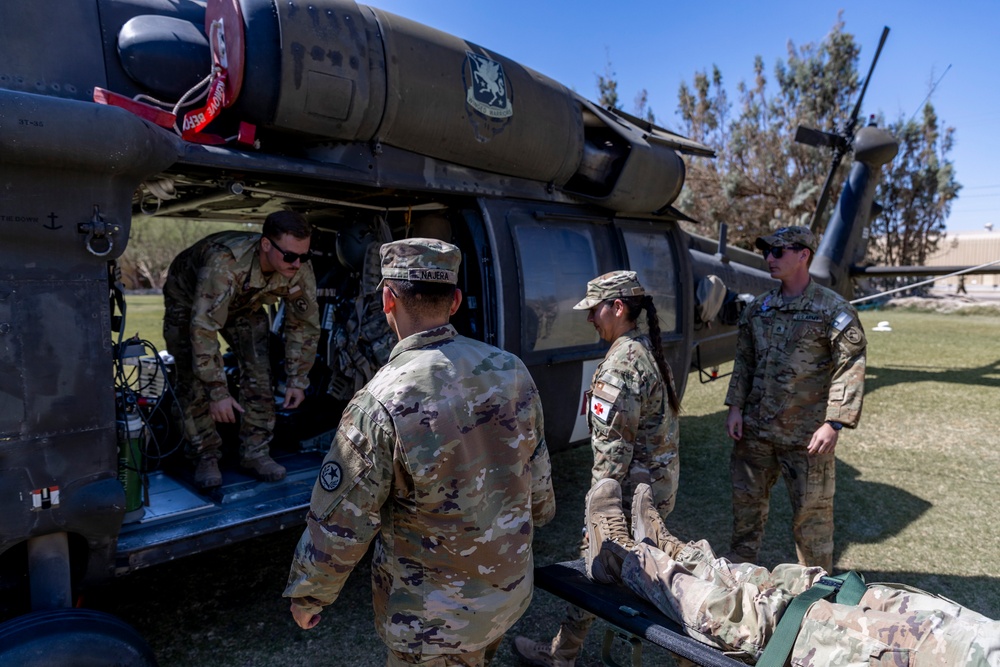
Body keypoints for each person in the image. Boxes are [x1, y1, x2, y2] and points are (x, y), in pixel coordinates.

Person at [284, 237, 556, 667]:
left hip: (432, 624)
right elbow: (537, 481)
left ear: (388, 299)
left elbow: (341, 521)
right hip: (505, 595)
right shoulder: (511, 369)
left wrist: (310, 594)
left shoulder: (380, 401)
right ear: (456, 301)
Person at [584, 478, 1000, 666]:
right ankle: (683, 556)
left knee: (775, 625)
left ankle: (622, 559)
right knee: (821, 589)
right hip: (975, 638)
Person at [514, 270, 682, 667]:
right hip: (655, 492)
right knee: (651, 573)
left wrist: (598, 514)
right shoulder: (646, 350)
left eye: (595, 310)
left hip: (627, 502)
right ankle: (564, 651)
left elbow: (610, 461)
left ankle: (562, 655)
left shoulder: (620, 367)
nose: (590, 319)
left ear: (618, 307)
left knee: (604, 570)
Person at [725, 226, 867, 572]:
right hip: (756, 431)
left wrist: (834, 423)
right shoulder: (760, 308)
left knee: (812, 518)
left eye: (778, 251)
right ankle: (740, 575)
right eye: (766, 252)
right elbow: (744, 360)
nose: (769, 259)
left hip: (807, 438)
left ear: (803, 254)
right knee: (746, 507)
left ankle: (816, 591)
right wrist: (735, 407)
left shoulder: (831, 308)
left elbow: (850, 365)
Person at [162, 210, 320, 489]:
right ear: (266, 245)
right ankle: (204, 454)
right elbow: (204, 328)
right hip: (190, 304)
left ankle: (256, 452)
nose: (297, 264)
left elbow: (304, 326)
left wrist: (298, 380)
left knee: (259, 372)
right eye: (290, 256)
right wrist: (217, 391)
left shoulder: (298, 268)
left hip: (245, 304)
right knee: (192, 378)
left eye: (303, 256)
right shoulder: (223, 264)